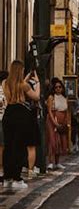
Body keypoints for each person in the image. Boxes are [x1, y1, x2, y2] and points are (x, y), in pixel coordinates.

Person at [2, 61, 40, 190]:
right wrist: (37, 83)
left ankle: (7, 178)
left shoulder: (5, 83)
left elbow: (15, 88)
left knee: (8, 147)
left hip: (9, 113)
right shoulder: (23, 85)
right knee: (19, 147)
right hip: (21, 115)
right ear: (20, 70)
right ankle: (17, 178)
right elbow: (36, 97)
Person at [46, 80, 69, 170]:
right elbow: (49, 111)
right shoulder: (51, 97)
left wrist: (66, 121)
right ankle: (51, 162)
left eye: (60, 87)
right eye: (56, 87)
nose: (58, 89)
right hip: (53, 120)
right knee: (53, 141)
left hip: (62, 120)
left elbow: (67, 111)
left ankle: (58, 162)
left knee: (60, 141)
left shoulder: (65, 98)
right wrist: (54, 122)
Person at [0, 70, 8, 180]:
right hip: (1, 119)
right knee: (1, 145)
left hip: (5, 119)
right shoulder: (1, 90)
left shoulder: (5, 90)